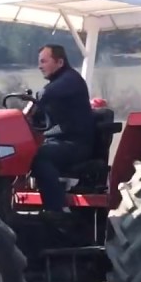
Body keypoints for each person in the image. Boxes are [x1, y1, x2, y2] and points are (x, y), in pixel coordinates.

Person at [29, 43, 95, 214]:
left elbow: (46, 94)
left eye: (44, 61)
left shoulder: (70, 81)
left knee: (39, 156)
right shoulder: (57, 85)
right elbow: (37, 115)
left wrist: (36, 100)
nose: (39, 66)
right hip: (57, 141)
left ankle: (57, 210)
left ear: (59, 62)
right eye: (39, 62)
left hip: (76, 143)